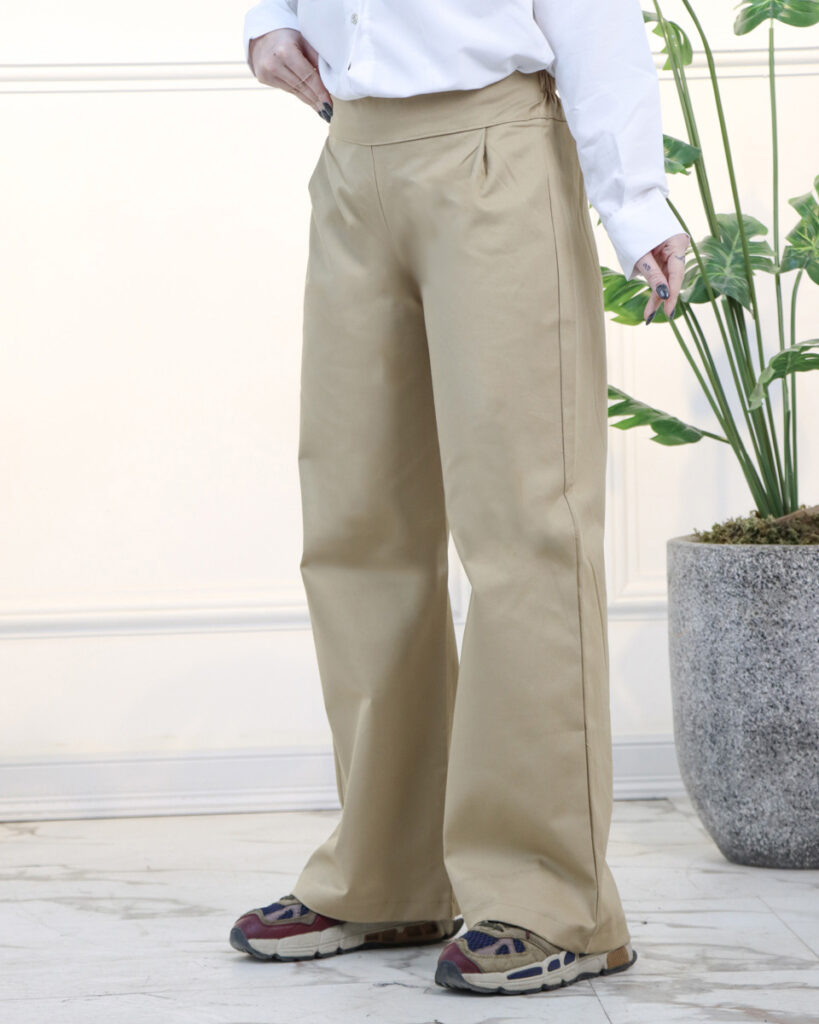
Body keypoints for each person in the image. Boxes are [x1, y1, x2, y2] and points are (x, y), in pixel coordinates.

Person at [229, 0, 690, 996]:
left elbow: (596, 18)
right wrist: (268, 17)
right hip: (353, 157)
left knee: (525, 528)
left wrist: (635, 202)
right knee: (357, 525)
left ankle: (553, 896)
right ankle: (389, 871)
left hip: (493, 147)